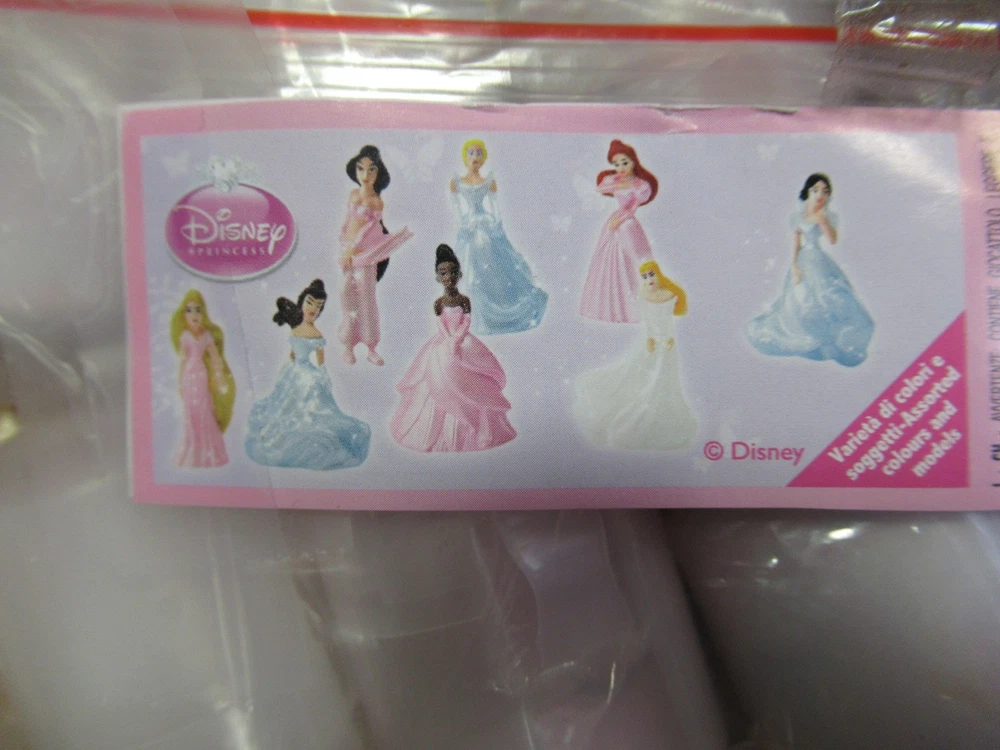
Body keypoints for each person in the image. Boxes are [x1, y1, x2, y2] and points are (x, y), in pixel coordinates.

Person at [390, 245, 516, 452]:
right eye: (443, 273)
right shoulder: (439, 303)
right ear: (437, 277)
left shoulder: (464, 300)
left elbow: (466, 321)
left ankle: (473, 428)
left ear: (459, 274)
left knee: (470, 376)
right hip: (443, 342)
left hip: (463, 341)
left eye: (452, 272)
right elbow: (440, 323)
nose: (448, 277)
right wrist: (448, 339)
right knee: (438, 373)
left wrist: (457, 339)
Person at [746, 173, 873, 367]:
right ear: (808, 192)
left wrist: (823, 220)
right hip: (804, 260)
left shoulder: (826, 216)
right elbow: (796, 245)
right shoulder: (798, 218)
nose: (820, 195)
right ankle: (808, 333)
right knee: (800, 297)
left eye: (825, 191)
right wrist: (794, 265)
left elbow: (833, 240)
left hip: (819, 260)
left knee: (828, 295)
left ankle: (829, 336)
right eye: (816, 190)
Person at [246, 279, 371, 470]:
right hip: (293, 369)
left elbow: (320, 357)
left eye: (318, 306)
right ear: (302, 302)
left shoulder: (315, 333)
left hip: (308, 374)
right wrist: (290, 364)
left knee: (312, 404)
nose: (313, 309)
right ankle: (289, 428)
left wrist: (322, 372)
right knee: (287, 402)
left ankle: (306, 428)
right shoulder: (297, 328)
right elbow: (293, 351)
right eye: (310, 303)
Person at [574, 260, 697, 450]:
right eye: (645, 276)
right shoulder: (643, 296)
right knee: (640, 374)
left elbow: (669, 321)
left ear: (658, 274)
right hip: (651, 342)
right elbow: (649, 321)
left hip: (668, 344)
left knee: (666, 378)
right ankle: (640, 407)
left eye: (651, 274)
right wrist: (650, 337)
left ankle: (660, 412)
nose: (649, 279)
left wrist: (670, 338)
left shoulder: (670, 294)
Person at [450, 138, 547, 335]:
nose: (475, 157)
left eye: (479, 153)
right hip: (469, 226)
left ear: (483, 158)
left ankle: (496, 312)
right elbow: (457, 206)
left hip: (485, 224)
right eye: (471, 153)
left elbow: (494, 206)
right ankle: (474, 316)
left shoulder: (488, 181)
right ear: (465, 156)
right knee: (470, 270)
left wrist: (495, 224)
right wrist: (465, 223)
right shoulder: (457, 181)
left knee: (492, 264)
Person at [339, 145, 413, 366]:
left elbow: (368, 230)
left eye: (371, 169)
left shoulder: (376, 201)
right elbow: (348, 222)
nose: (365, 175)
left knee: (366, 299)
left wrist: (354, 248)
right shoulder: (353, 195)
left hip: (364, 256)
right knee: (346, 297)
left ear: (378, 172)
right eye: (361, 169)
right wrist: (344, 245)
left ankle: (371, 346)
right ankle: (348, 343)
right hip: (347, 254)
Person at [580, 139, 659, 324]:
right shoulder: (613, 181)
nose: (621, 168)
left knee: (634, 256)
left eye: (624, 162)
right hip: (615, 222)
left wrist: (620, 220)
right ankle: (610, 305)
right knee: (608, 257)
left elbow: (632, 208)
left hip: (627, 222)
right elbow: (599, 188)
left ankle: (637, 305)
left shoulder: (640, 185)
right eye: (616, 164)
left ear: (633, 162)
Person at [170, 289, 234, 467]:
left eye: (198, 310)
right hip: (189, 376)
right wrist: (180, 383)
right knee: (191, 411)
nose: (194, 315)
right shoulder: (185, 336)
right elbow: (182, 360)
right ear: (184, 314)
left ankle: (209, 450)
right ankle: (194, 449)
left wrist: (219, 375)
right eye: (189, 310)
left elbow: (215, 356)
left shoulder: (206, 335)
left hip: (202, 375)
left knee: (204, 409)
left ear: (203, 313)